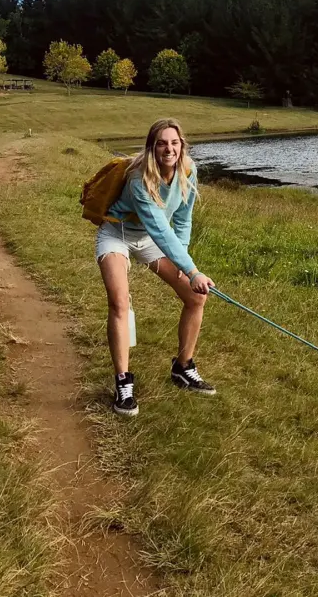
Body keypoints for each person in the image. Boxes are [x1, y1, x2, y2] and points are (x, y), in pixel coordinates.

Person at [95, 118, 216, 417]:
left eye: (174, 143)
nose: (169, 148)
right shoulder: (139, 178)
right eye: (162, 143)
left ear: (182, 145)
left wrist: (183, 262)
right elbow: (160, 228)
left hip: (149, 239)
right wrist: (192, 270)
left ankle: (183, 367)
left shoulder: (189, 170)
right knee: (119, 302)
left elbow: (183, 220)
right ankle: (123, 384)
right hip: (117, 234)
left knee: (195, 297)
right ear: (152, 147)